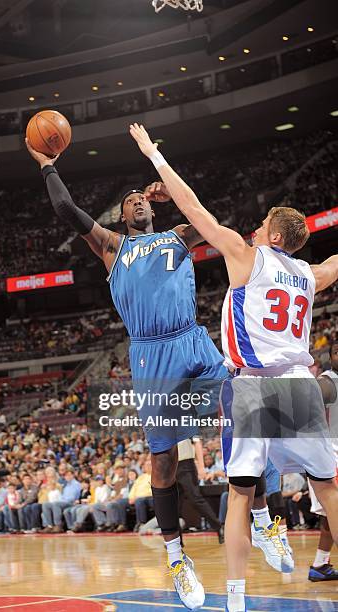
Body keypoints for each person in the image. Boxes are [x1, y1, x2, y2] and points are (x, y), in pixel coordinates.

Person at [129, 122, 338, 612]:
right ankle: (271, 538)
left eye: (264, 224)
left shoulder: (247, 256)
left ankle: (237, 598)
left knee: (240, 494)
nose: (256, 228)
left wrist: (153, 154)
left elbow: (193, 207)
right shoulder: (308, 274)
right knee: (328, 487)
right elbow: (334, 264)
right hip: (299, 384)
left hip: (255, 386)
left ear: (275, 235)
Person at [26, 132, 228, 610]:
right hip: (150, 355)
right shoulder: (112, 246)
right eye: (130, 200)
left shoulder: (177, 236)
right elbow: (66, 212)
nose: (138, 202)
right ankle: (178, 559)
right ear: (122, 214)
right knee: (161, 462)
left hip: (191, 338)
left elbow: (208, 219)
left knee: (246, 400)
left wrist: (165, 182)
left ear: (153, 208)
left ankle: (262, 514)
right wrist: (46, 166)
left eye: (143, 199)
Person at [307, 341, 338, 581]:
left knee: (330, 515)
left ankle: (320, 565)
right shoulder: (326, 381)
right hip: (330, 455)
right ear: (331, 357)